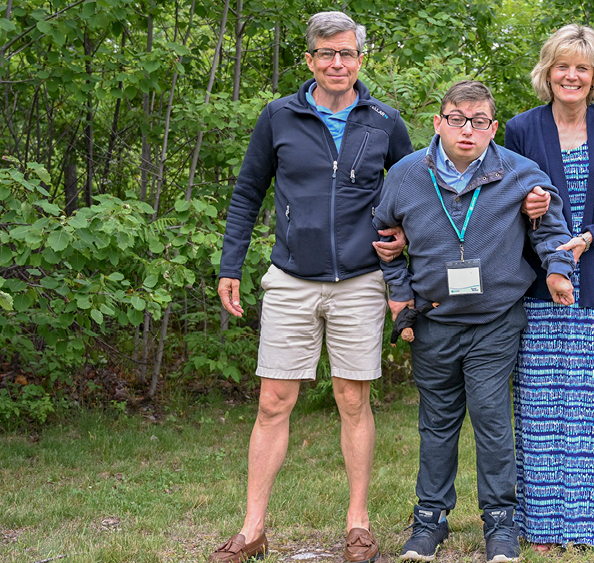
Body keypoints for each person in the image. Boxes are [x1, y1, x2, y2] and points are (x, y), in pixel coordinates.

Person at [212, 11, 413, 563]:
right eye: (327, 54)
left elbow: (414, 197)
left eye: (347, 53)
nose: (337, 63)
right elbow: (247, 193)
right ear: (310, 60)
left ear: (360, 59)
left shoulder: (385, 120)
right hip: (290, 278)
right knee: (274, 401)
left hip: (360, 280)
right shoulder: (278, 116)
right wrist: (231, 264)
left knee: (353, 398)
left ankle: (358, 525)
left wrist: (404, 256)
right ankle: (252, 531)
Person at [373, 80, 579, 563]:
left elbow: (553, 230)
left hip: (494, 321)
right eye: (457, 119)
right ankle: (429, 522)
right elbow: (384, 242)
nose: (468, 130)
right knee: (437, 422)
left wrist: (557, 271)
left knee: (491, 418)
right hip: (434, 321)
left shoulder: (521, 173)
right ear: (439, 122)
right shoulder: (405, 175)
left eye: (479, 121)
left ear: (492, 125)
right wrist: (401, 301)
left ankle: (500, 527)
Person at [504, 24, 594, 551]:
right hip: (538, 287)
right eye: (562, 65)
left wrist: (587, 238)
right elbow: (499, 206)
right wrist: (525, 209)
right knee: (540, 413)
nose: (571, 75)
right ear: (548, 72)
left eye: (582, 67)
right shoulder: (519, 129)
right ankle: (541, 529)